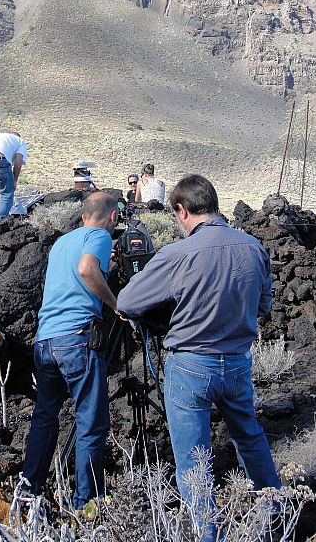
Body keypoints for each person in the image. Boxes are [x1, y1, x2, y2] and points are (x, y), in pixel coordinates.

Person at [118, 175, 280, 516]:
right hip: (237, 362)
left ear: (181, 210)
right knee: (249, 438)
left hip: (190, 365)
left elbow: (128, 302)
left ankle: (205, 530)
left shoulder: (177, 253)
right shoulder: (253, 246)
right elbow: (264, 305)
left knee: (193, 459)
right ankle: (275, 518)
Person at [18, 192, 119, 509]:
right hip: (76, 340)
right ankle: (85, 505)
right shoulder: (100, 236)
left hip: (45, 341)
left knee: (44, 418)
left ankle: (28, 492)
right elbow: (88, 269)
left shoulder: (61, 242)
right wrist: (116, 305)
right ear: (112, 217)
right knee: (91, 423)